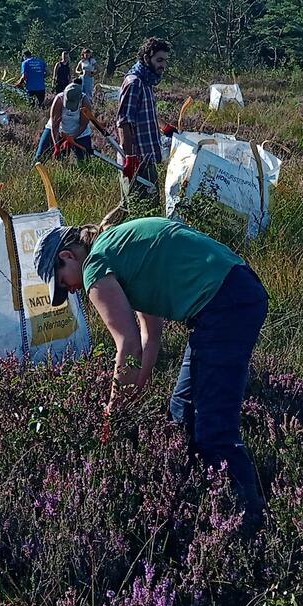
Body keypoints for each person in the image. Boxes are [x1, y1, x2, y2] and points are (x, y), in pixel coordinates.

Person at [37, 215, 268, 525]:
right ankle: (193, 502)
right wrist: (130, 399)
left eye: (64, 281)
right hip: (234, 293)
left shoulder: (96, 265)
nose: (73, 290)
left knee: (214, 429)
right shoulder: (121, 248)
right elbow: (150, 335)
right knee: (181, 412)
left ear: (67, 256)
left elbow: (128, 345)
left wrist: (112, 414)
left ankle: (249, 521)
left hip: (224, 305)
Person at [117, 37, 171, 189]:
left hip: (147, 158)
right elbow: (123, 121)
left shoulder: (146, 81)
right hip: (137, 161)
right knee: (140, 210)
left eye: (165, 61)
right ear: (147, 58)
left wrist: (164, 127)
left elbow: (145, 112)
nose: (163, 65)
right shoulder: (135, 82)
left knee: (129, 208)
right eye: (159, 60)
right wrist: (130, 157)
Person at [34, 80, 93, 162]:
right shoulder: (59, 99)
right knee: (40, 157)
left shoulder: (85, 102)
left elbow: (83, 124)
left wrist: (71, 138)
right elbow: (55, 124)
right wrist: (56, 145)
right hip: (59, 130)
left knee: (85, 162)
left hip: (80, 133)